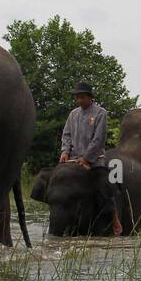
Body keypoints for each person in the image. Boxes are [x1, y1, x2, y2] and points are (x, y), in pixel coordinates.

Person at [59, 82, 121, 236]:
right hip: (73, 159)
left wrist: (87, 159)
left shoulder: (100, 113)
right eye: (77, 97)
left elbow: (98, 139)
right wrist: (65, 151)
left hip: (94, 159)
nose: (79, 100)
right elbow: (66, 135)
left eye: (82, 97)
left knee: (104, 188)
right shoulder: (73, 114)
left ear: (90, 97)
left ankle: (115, 219)